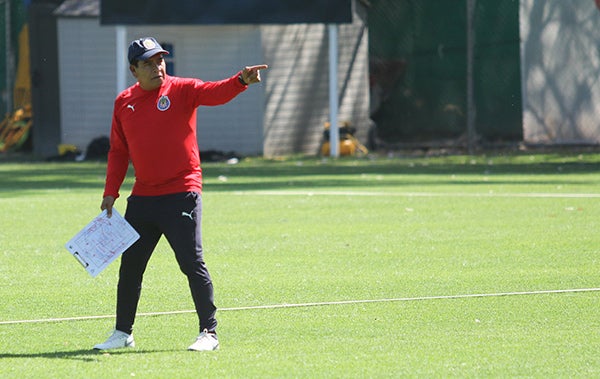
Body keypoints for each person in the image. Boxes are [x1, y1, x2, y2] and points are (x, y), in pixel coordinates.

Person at [92, 37, 267, 352]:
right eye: (147, 62)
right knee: (130, 266)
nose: (157, 66)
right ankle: (122, 333)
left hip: (181, 192)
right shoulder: (124, 102)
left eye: (159, 60)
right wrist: (111, 192)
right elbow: (118, 152)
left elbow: (215, 92)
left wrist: (240, 81)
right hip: (143, 197)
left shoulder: (182, 89)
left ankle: (208, 333)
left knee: (190, 261)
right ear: (134, 69)